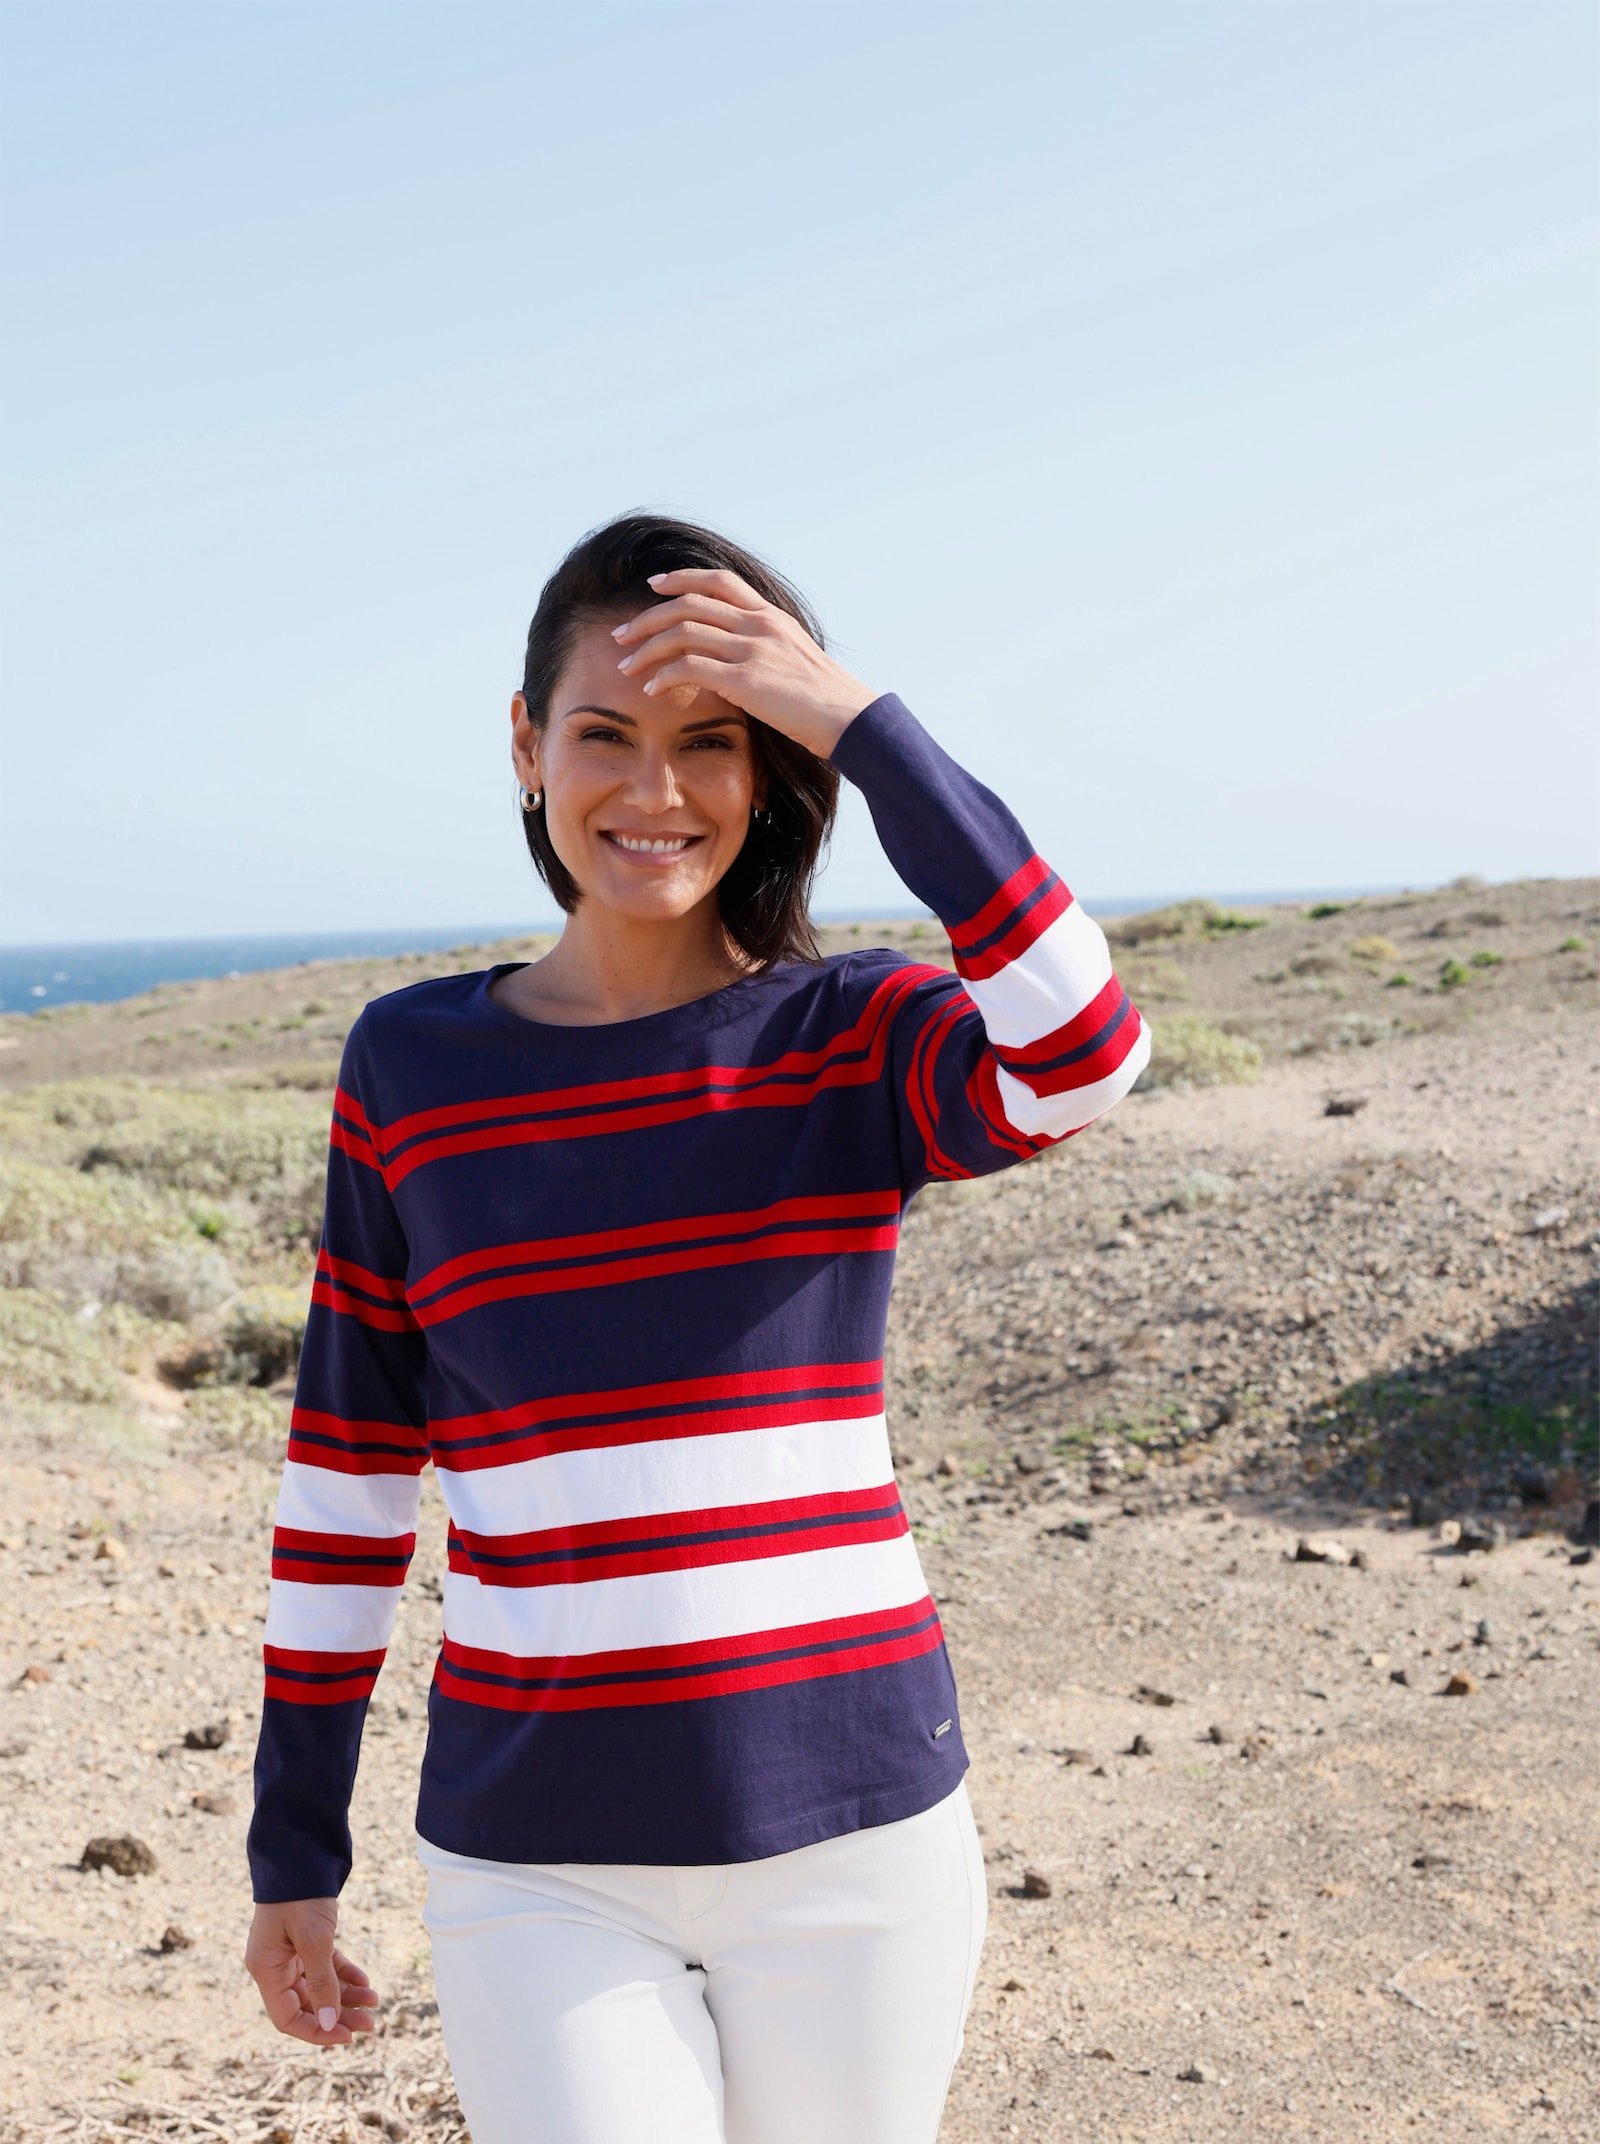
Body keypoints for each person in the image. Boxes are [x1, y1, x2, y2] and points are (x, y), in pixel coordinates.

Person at [243, 513, 1149, 2144]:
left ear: (770, 770)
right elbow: (351, 1478)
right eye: (605, 733)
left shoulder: (853, 1034)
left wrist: (866, 725)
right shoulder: (413, 1069)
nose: (654, 791)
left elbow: (1084, 1050)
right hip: (543, 1857)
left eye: (711, 744)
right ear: (527, 747)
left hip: (858, 1834)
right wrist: (293, 1846)